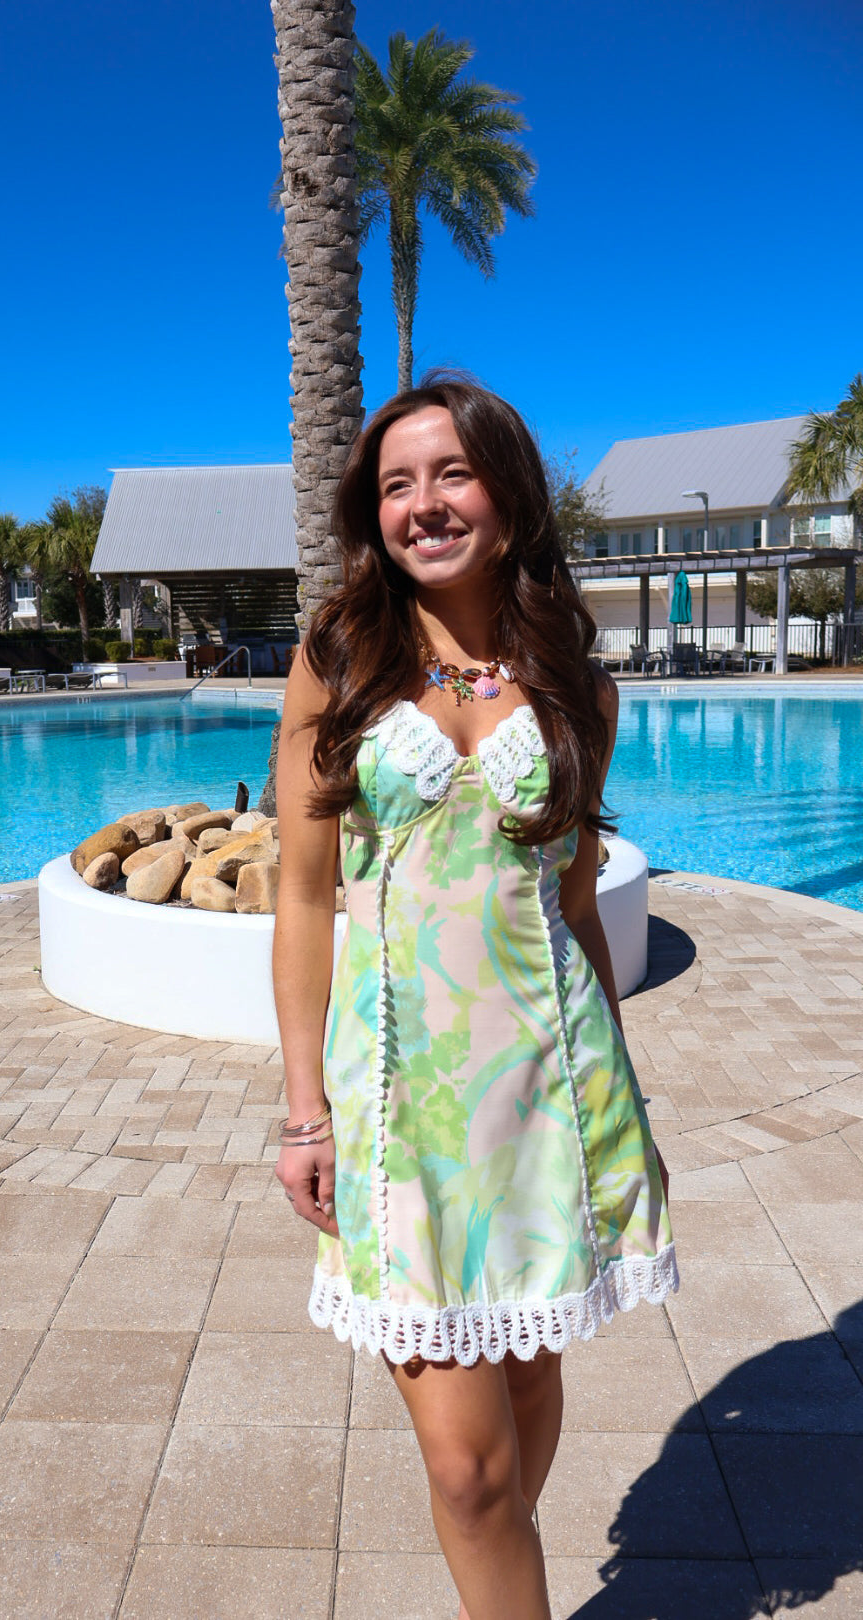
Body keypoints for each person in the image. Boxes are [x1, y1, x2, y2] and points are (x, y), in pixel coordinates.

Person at [272, 375, 677, 1620]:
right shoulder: (338, 660)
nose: (424, 505)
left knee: (531, 1380)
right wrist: (304, 1112)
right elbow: (303, 899)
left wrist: (622, 1100)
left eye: (452, 473)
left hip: (553, 1090)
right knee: (467, 1468)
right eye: (397, 485)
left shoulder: (575, 687)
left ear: (507, 494)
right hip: (401, 1106)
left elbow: (574, 909)